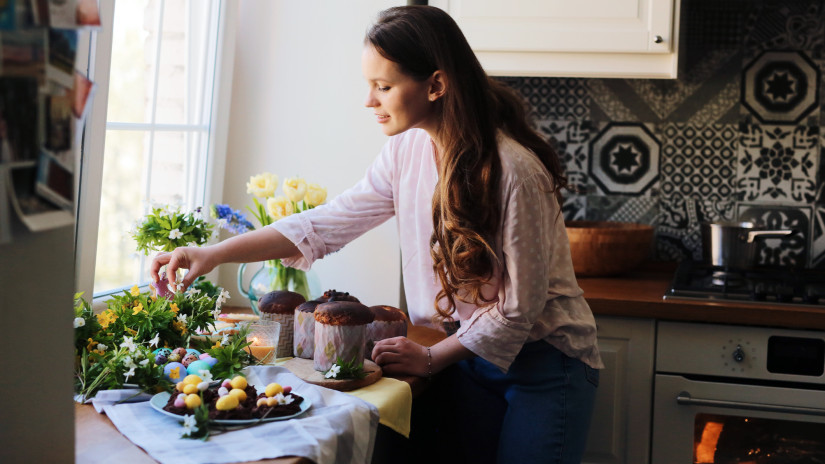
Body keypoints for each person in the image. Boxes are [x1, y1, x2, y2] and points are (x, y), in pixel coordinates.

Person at [151, 5, 602, 463]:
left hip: (546, 366)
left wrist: (430, 359)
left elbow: (516, 309)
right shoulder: (407, 150)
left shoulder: (513, 172)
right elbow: (327, 221)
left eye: (383, 87)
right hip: (466, 357)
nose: (370, 101)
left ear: (436, 85)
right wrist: (212, 254)